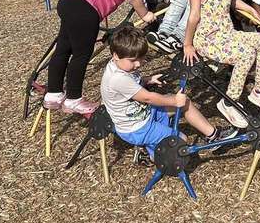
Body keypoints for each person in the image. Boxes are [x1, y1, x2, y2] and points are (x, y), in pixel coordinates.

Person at [45, 0, 154, 115]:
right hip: (86, 9)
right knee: (81, 54)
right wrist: (145, 14)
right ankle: (73, 99)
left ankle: (53, 93)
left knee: (63, 48)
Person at [101, 25, 237, 154]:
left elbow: (132, 84)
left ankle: (213, 135)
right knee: (180, 142)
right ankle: (151, 155)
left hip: (145, 113)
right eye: (133, 60)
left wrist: (147, 80)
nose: (138, 64)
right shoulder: (117, 78)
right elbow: (148, 97)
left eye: (141, 59)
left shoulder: (121, 65)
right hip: (136, 128)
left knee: (185, 103)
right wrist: (174, 101)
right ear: (115, 55)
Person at [184, 0, 260, 128]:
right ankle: (228, 102)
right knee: (246, 54)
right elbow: (194, 16)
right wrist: (187, 44)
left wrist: (249, 9)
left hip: (227, 33)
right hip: (207, 39)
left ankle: (259, 90)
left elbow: (229, 0)